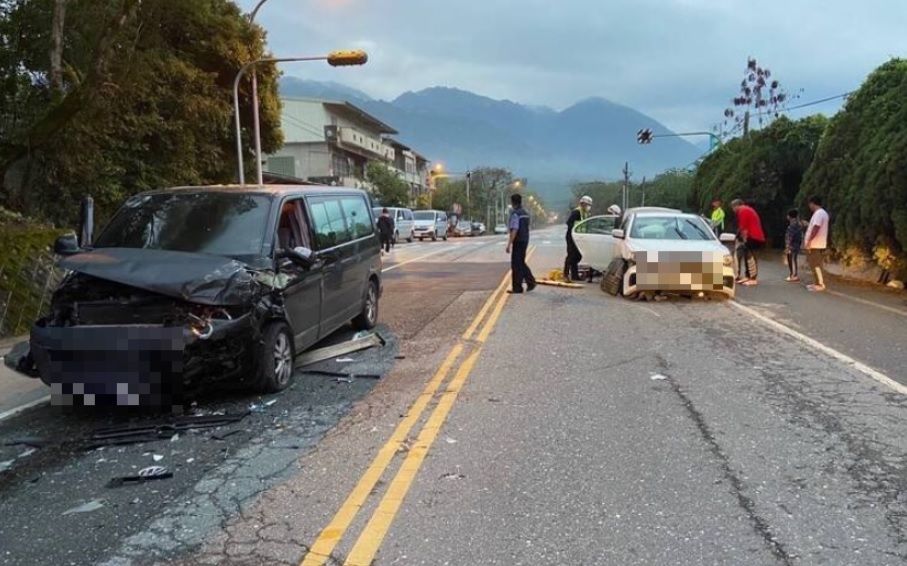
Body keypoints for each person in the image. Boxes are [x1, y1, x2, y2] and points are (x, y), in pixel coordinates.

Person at [731, 198, 766, 286]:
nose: (733, 210)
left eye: (733, 208)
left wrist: (740, 237)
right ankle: (748, 276)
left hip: (753, 235)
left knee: (750, 256)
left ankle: (753, 278)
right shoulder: (747, 209)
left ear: (736, 206)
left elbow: (743, 226)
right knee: (747, 255)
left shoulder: (742, 211)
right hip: (754, 235)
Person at [506, 193, 536, 294]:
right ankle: (530, 282)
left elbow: (514, 229)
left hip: (518, 241)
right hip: (525, 240)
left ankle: (518, 287)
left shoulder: (515, 214)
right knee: (521, 262)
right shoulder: (525, 213)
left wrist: (509, 243)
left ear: (513, 202)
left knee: (516, 265)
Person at [804, 195, 830, 292]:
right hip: (816, 243)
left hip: (815, 244)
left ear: (812, 203)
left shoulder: (819, 213)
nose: (809, 206)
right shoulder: (821, 213)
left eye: (810, 204)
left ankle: (820, 284)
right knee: (813, 264)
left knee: (816, 264)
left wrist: (810, 240)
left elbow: (816, 227)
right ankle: (816, 283)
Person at [564, 195, 592, 281]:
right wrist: (575, 230)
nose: (588, 207)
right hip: (571, 236)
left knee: (578, 256)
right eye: (586, 205)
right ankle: (565, 274)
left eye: (588, 205)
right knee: (571, 255)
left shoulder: (585, 213)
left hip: (579, 237)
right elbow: (569, 223)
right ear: (582, 204)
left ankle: (574, 275)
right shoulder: (576, 212)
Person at [784, 209, 803, 282]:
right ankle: (794, 274)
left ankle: (793, 275)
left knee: (791, 259)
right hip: (797, 243)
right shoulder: (798, 224)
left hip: (792, 245)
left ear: (789, 216)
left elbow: (790, 236)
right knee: (794, 259)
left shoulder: (792, 225)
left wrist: (788, 246)